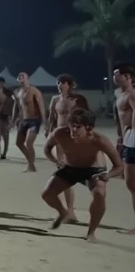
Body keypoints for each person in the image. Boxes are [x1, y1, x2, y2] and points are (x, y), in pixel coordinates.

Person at [41, 108, 124, 243]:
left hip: (94, 170)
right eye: (71, 125)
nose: (73, 130)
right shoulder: (60, 133)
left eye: (78, 127)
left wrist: (108, 175)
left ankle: (91, 232)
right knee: (46, 194)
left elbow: (119, 166)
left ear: (89, 127)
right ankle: (63, 212)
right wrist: (55, 160)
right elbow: (47, 148)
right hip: (71, 168)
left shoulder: (100, 140)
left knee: (100, 194)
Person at [45, 74, 90, 223]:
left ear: (70, 85)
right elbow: (52, 117)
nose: (61, 85)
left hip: (75, 137)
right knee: (64, 172)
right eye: (59, 82)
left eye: (64, 83)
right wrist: (49, 132)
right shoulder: (55, 100)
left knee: (78, 172)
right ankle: (70, 211)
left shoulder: (78, 100)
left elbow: (87, 117)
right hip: (60, 137)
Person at [113, 63, 135, 235]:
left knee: (131, 183)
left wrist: (129, 135)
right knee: (130, 184)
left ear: (127, 77)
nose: (114, 77)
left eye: (117, 74)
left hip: (133, 140)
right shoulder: (120, 94)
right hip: (127, 140)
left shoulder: (132, 94)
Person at [13, 71, 46, 173]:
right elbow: (16, 107)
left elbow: (41, 106)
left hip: (35, 120)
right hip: (24, 120)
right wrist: (14, 119)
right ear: (18, 79)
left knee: (29, 143)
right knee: (19, 143)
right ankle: (30, 164)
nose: (21, 77)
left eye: (23, 76)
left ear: (27, 78)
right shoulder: (18, 91)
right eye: (19, 76)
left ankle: (31, 165)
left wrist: (45, 122)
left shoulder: (34, 91)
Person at [0, 77, 15, 159]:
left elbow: (5, 101)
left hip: (6, 116)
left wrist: (11, 119)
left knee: (5, 135)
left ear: (2, 83)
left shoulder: (9, 92)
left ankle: (4, 153)